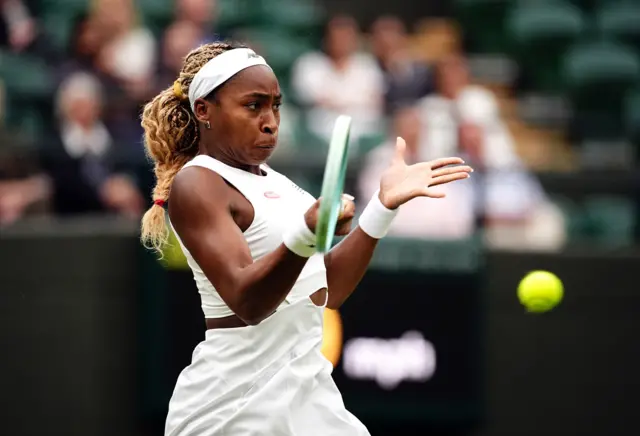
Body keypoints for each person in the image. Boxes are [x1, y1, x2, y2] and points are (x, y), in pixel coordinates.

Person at [139, 41, 472, 436]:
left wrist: (381, 208)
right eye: (253, 105)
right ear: (203, 111)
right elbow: (248, 301)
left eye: (276, 105)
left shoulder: (280, 185)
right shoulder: (198, 183)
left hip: (308, 395)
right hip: (233, 408)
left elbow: (326, 290)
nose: (270, 120)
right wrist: (306, 234)